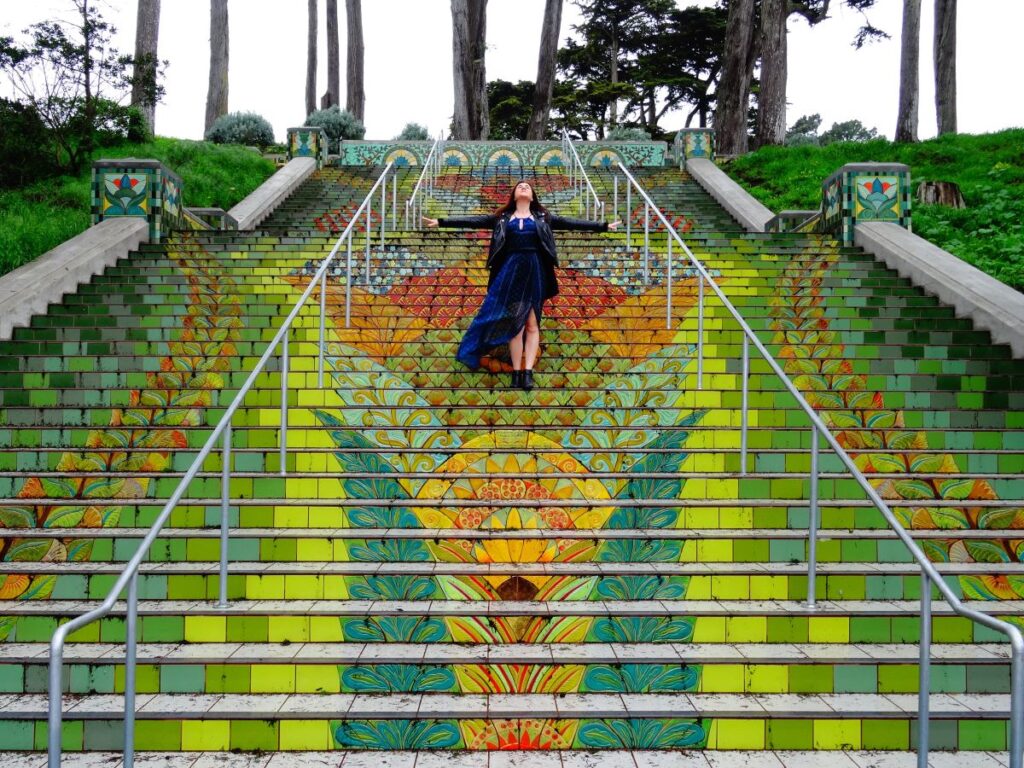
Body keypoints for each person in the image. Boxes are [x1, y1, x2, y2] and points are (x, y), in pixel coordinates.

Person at [423, 180, 620, 391]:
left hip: (535, 269)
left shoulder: (543, 218)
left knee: (532, 324)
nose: (524, 187)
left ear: (533, 196)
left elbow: (571, 223)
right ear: (514, 195)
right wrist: (441, 222)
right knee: (515, 326)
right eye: (519, 186)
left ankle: (527, 372)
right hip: (510, 270)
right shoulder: (502, 218)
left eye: (527, 186)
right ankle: (516, 372)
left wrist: (603, 226)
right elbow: (473, 220)